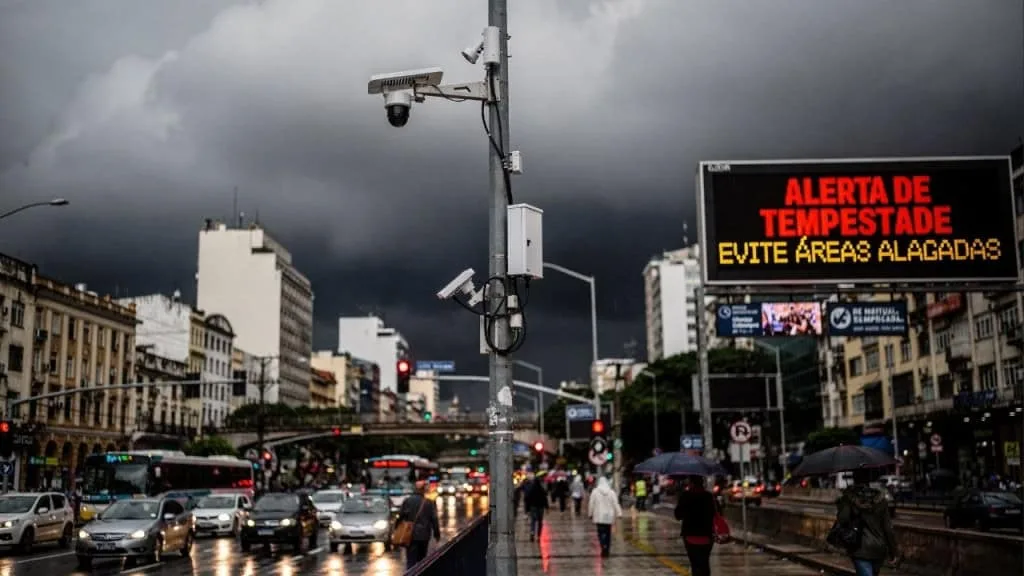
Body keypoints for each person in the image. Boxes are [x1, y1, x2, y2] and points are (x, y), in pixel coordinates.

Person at [836, 470, 900, 576]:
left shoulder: (850, 498)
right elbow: (888, 528)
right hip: (879, 549)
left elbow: (842, 519)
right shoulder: (880, 499)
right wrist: (894, 552)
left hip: (860, 549)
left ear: (854, 479)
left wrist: (843, 503)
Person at [674, 476, 717, 576]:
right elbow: (716, 513)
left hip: (690, 535)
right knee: (705, 562)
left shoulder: (686, 496)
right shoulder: (708, 496)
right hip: (706, 535)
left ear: (691, 483)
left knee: (695, 563)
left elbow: (678, 515)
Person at [397, 481, 441, 570]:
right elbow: (434, 519)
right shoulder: (429, 502)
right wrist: (437, 534)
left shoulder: (407, 501)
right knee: (422, 560)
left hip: (410, 534)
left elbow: (401, 516)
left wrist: (397, 529)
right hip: (424, 535)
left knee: (410, 560)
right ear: (423, 490)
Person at [588, 476, 623, 557]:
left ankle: (603, 545)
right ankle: (607, 548)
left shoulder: (595, 492)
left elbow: (591, 503)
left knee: (600, 533)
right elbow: (616, 503)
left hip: (599, 516)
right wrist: (619, 513)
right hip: (609, 516)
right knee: (608, 533)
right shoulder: (611, 492)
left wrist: (590, 514)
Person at [523, 473, 549, 542]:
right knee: (540, 521)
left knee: (533, 520)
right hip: (540, 507)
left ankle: (532, 532)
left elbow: (527, 498)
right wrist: (547, 507)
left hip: (533, 506)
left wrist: (527, 509)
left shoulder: (531, 488)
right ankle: (538, 536)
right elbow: (545, 498)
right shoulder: (541, 488)